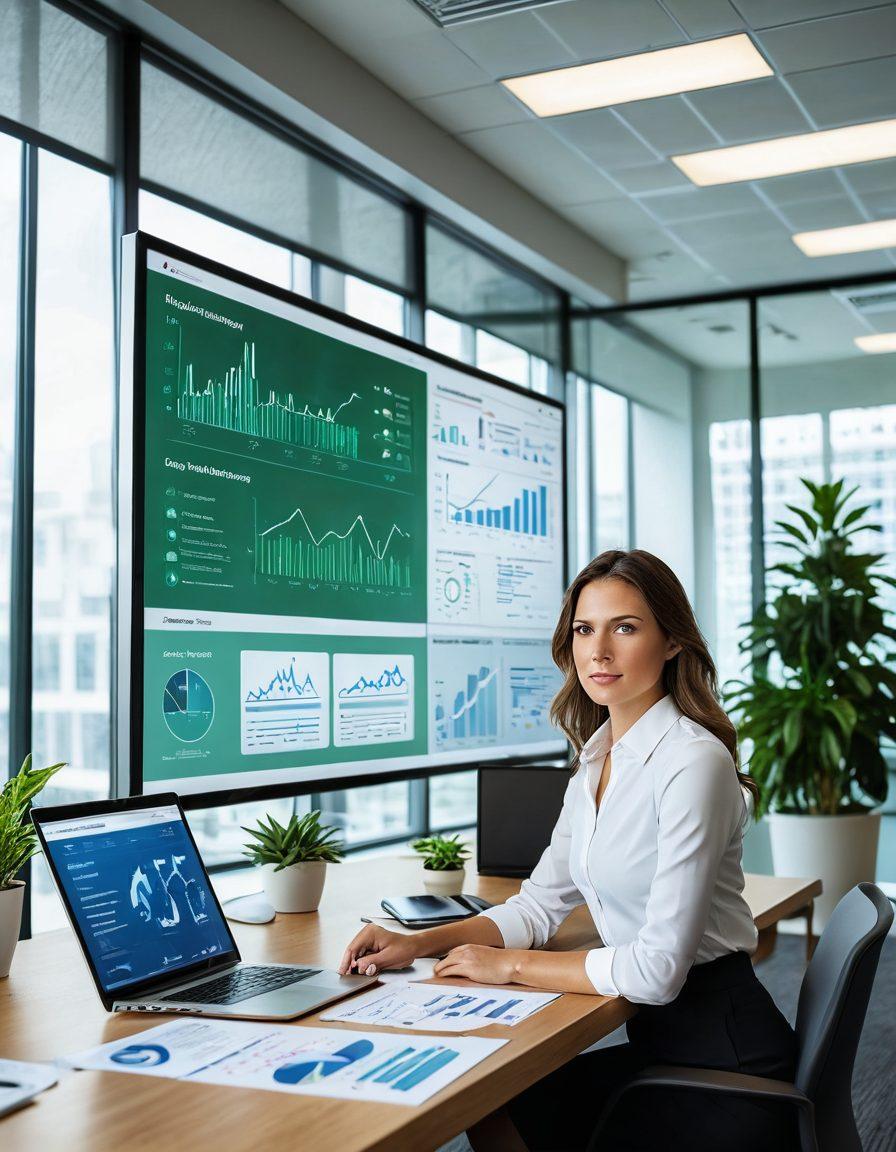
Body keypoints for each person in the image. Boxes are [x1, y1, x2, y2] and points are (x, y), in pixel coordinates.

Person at [338, 550, 797, 1151]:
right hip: (665, 1044)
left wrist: (509, 967)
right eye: (585, 629)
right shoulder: (597, 761)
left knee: (496, 1098)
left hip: (724, 1059)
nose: (598, 651)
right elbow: (536, 908)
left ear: (672, 644)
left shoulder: (694, 763)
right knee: (492, 1097)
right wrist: (419, 943)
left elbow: (656, 972)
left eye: (624, 628)